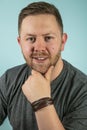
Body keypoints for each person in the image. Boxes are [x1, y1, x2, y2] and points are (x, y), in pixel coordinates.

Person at [0, 1, 87, 130]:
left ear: (62, 42)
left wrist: (41, 101)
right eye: (31, 39)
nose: (39, 48)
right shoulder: (9, 79)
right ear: (20, 43)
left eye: (48, 38)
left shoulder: (82, 90)